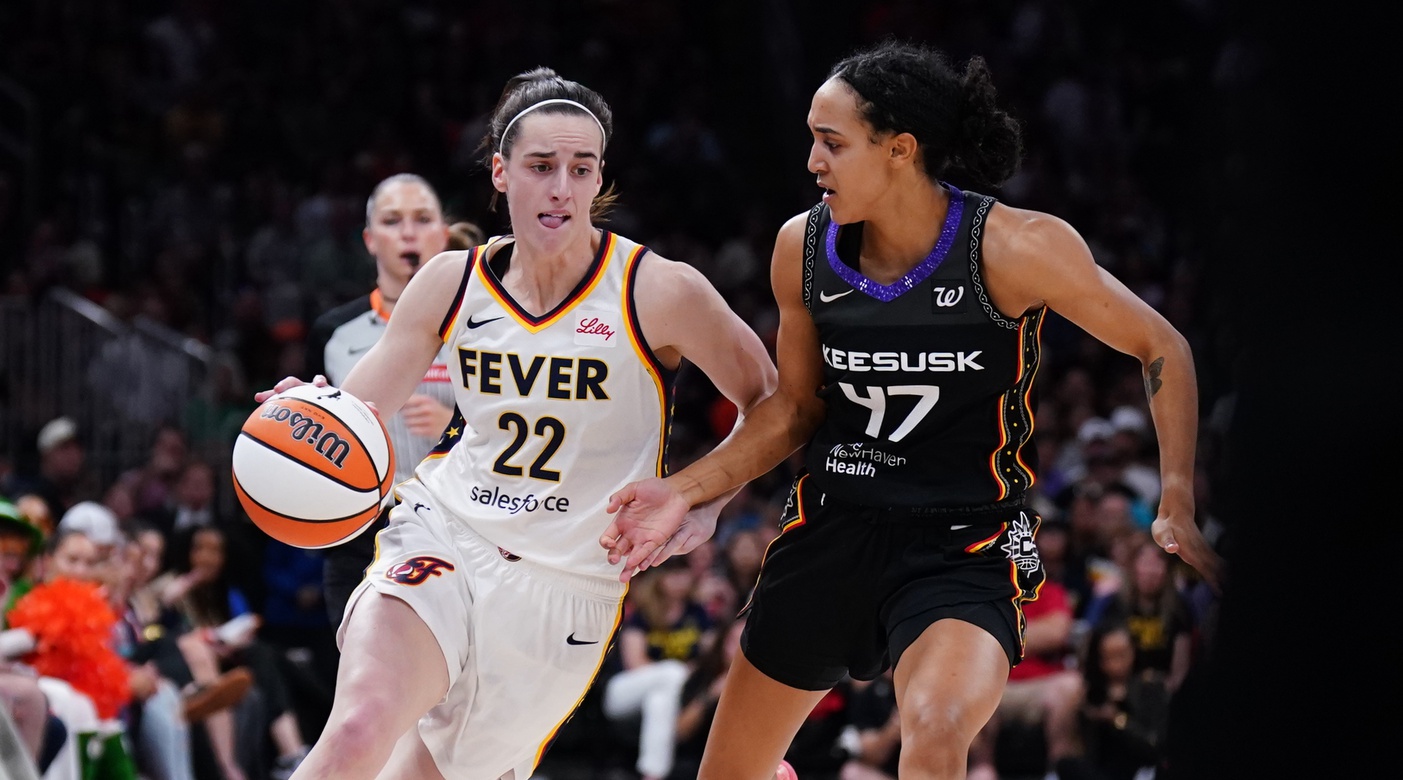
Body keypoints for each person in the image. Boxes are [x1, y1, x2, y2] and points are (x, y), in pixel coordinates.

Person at [602, 39, 1224, 780]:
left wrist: (1177, 499)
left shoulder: (1015, 247)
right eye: (809, 139)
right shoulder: (801, 249)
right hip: (833, 530)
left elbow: (1161, 347)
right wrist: (684, 489)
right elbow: (795, 409)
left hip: (961, 545)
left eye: (831, 143)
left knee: (930, 734)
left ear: (899, 149)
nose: (811, 162)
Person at [255, 66, 777, 780]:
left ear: (599, 180)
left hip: (567, 582)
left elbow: (773, 403)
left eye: (579, 168)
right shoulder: (450, 281)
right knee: (355, 730)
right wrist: (312, 414)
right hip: (446, 532)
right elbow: (361, 408)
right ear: (500, 173)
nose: (560, 187)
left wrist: (701, 495)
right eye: (539, 166)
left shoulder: (659, 290)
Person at [305, 172, 485, 626]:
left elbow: (516, 418)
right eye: (392, 220)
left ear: (443, 235)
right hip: (361, 532)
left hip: (461, 526)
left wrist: (456, 425)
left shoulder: (483, 324)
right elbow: (315, 430)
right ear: (369, 240)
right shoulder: (334, 331)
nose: (408, 232)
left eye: (422, 219)